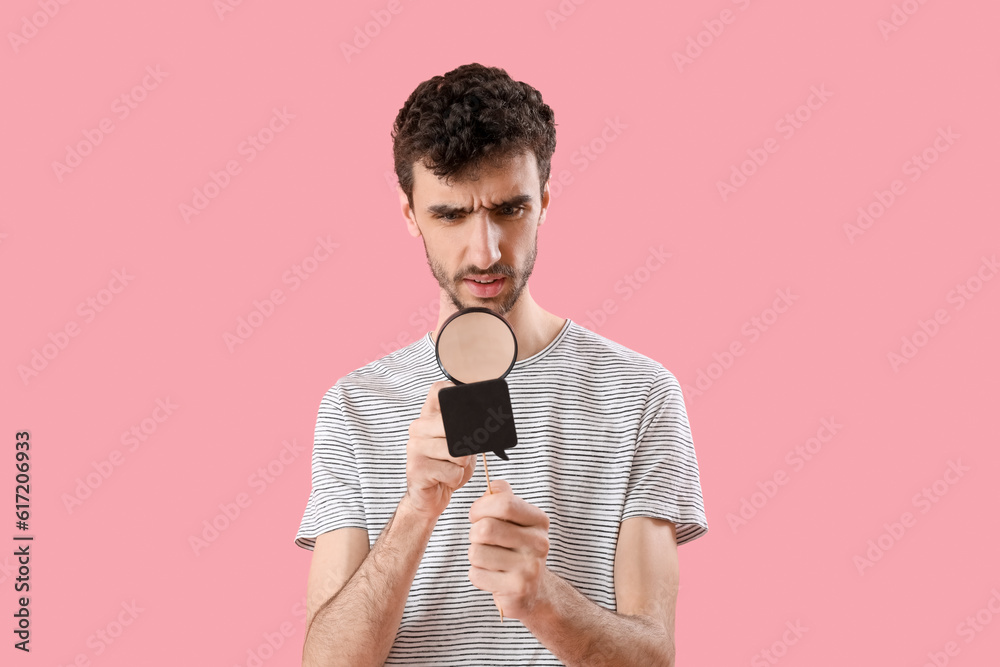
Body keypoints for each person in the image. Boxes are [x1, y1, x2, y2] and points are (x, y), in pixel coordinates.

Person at [295, 62, 708, 666]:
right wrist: (416, 509)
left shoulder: (642, 394)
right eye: (451, 215)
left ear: (543, 201)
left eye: (509, 210)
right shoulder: (354, 406)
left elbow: (653, 659)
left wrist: (541, 598)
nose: (485, 251)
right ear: (410, 213)